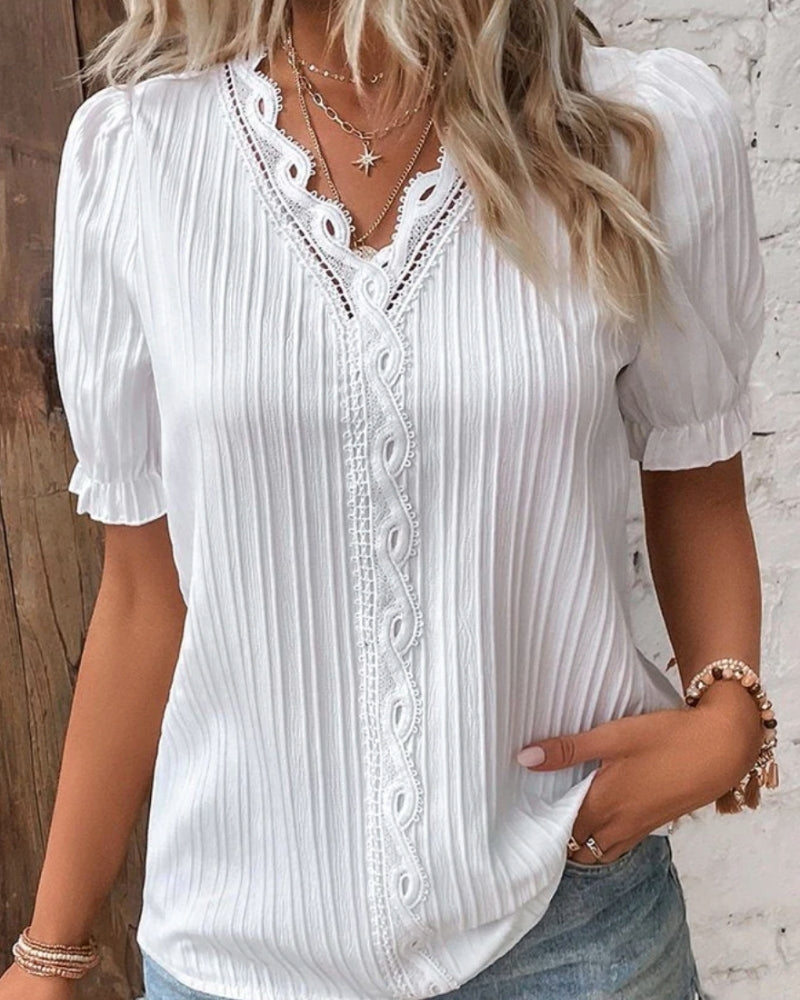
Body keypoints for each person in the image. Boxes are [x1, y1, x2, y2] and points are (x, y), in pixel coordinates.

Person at [1, 1, 777, 999]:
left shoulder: (629, 130)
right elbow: (146, 597)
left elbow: (696, 477)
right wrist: (51, 951)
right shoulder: (139, 156)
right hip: (236, 956)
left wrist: (728, 713)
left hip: (572, 928)